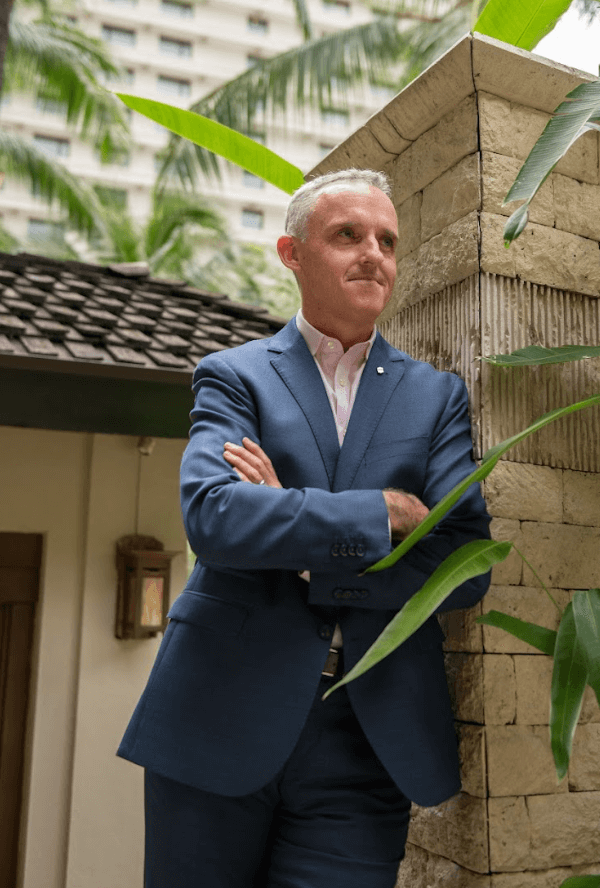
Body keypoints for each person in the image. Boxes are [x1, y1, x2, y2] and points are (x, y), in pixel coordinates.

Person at [118, 168, 492, 888]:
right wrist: (382, 513)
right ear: (293, 254)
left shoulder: (438, 396)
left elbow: (466, 563)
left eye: (386, 239)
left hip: (366, 739)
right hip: (215, 718)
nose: (372, 254)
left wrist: (303, 545)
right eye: (347, 235)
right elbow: (216, 516)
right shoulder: (233, 376)